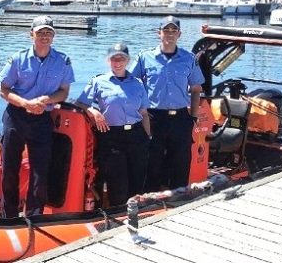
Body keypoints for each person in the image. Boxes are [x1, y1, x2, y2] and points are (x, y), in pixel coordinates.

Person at [0, 15, 75, 218]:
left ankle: (34, 216)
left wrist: (46, 100)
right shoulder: (18, 59)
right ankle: (9, 216)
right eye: (40, 32)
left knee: (40, 171)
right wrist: (26, 103)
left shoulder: (62, 61)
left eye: (49, 32)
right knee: (9, 169)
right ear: (31, 34)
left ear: (53, 36)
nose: (45, 36)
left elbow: (64, 92)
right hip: (16, 117)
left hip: (42, 119)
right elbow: (3, 90)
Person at [128, 16, 204, 192]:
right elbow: (132, 85)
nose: (170, 34)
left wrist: (193, 116)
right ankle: (149, 200)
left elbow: (195, 88)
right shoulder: (144, 57)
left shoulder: (189, 58)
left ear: (179, 34)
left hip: (180, 118)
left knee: (180, 161)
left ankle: (179, 198)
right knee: (152, 160)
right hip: (154, 117)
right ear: (159, 33)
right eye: (166, 30)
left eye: (173, 31)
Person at [76, 43, 151, 206]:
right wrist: (93, 112)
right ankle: (119, 217)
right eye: (114, 59)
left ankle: (136, 215)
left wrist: (147, 137)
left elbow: (144, 113)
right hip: (111, 136)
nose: (118, 62)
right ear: (108, 61)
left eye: (122, 58)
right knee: (117, 183)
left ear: (128, 60)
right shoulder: (98, 81)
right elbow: (80, 103)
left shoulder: (137, 83)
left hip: (137, 135)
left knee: (137, 180)